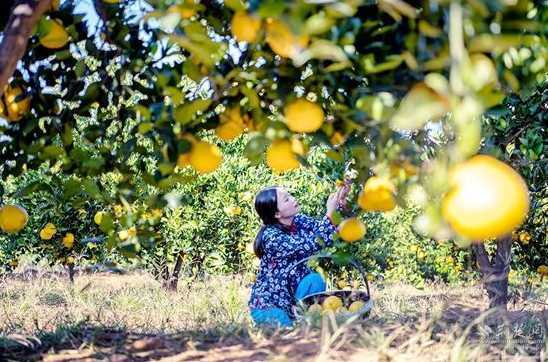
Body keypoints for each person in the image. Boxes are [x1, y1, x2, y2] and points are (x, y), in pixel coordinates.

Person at [248, 184, 349, 328]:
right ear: (277, 214)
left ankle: (302, 318)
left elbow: (323, 232)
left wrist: (339, 201)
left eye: (290, 195)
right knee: (289, 331)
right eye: (286, 199)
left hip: (291, 298)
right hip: (269, 306)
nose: (293, 199)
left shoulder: (298, 221)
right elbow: (313, 243)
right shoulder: (271, 238)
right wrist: (329, 212)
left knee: (315, 280)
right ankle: (292, 322)